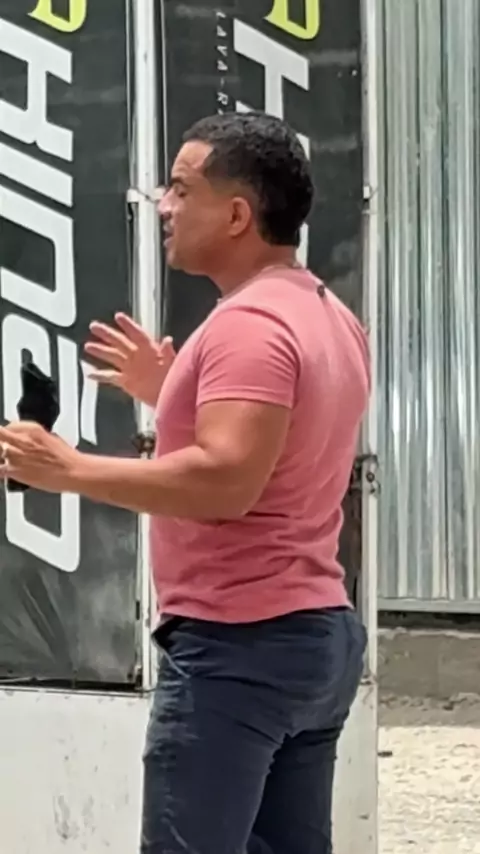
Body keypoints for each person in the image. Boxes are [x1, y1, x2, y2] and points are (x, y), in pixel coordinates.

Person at [0, 112, 370, 854]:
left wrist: (68, 469)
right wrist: (173, 390)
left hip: (239, 646)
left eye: (180, 188)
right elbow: (279, 443)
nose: (163, 205)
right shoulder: (324, 312)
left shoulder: (250, 325)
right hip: (312, 636)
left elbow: (225, 481)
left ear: (237, 215)